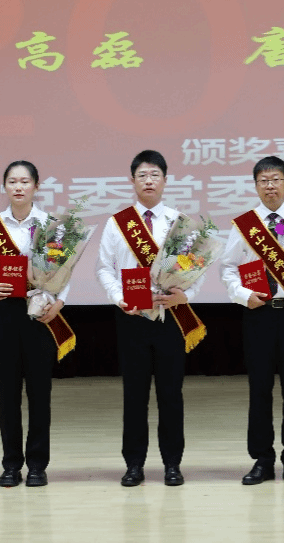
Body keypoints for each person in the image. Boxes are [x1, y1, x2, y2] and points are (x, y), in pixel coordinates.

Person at [95, 150, 205, 487]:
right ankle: (134, 465)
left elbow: (195, 267)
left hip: (170, 318)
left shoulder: (179, 222)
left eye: (155, 175)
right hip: (132, 319)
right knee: (135, 395)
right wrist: (119, 298)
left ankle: (172, 463)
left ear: (165, 181)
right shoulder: (117, 223)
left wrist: (187, 296)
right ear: (132, 181)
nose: (148, 181)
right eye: (142, 175)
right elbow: (104, 268)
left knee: (171, 394)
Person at [220, 156, 284, 486]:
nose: (270, 186)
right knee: (259, 391)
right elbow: (228, 267)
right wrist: (242, 294)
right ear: (255, 185)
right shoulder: (245, 224)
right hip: (259, 314)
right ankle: (262, 460)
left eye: (276, 179)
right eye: (263, 180)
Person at [0, 160, 69, 488]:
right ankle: (11, 465)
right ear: (4, 187)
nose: (18, 187)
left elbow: (63, 272)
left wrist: (59, 302)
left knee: (40, 393)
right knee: (8, 394)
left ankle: (38, 465)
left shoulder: (51, 225)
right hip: (4, 313)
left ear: (36, 186)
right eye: (12, 181)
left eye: (25, 181)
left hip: (40, 313)